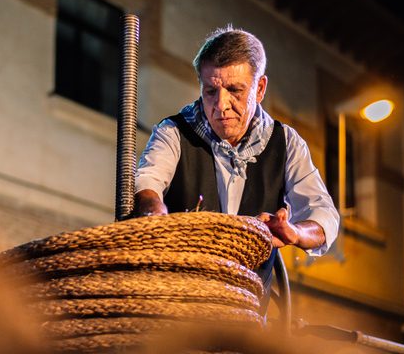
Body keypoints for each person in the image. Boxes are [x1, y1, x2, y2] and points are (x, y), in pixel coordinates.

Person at [132, 25, 340, 303]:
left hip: (248, 317)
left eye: (235, 90)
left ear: (260, 88)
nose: (221, 105)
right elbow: (148, 182)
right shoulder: (173, 133)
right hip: (176, 313)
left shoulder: (286, 144)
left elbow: (324, 216)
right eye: (210, 91)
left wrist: (296, 232)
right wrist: (152, 211)